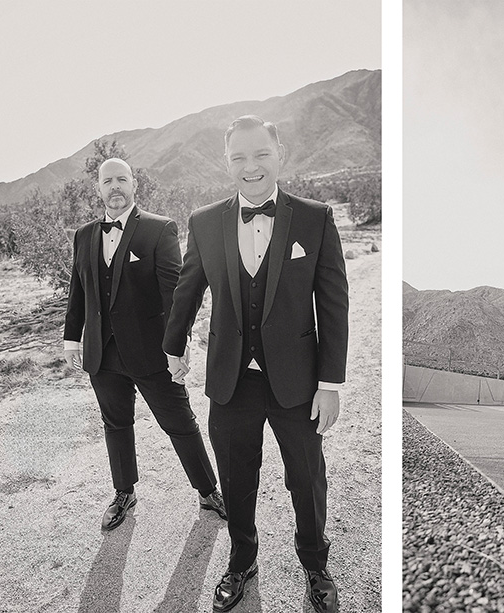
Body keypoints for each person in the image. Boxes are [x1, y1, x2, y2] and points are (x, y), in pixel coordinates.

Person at [162, 115, 348, 613]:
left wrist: (330, 383)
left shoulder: (316, 218)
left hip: (298, 382)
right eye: (239, 157)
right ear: (226, 163)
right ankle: (242, 560)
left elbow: (333, 305)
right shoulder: (204, 221)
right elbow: (187, 290)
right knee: (236, 478)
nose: (251, 167)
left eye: (260, 154)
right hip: (230, 377)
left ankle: (315, 563)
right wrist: (173, 348)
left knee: (306, 478)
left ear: (279, 153)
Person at [63, 158, 226, 531]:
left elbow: (174, 293)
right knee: (115, 423)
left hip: (152, 353)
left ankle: (207, 490)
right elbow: (79, 291)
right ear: (98, 188)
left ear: (134, 185)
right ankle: (124, 492)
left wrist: (178, 347)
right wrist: (73, 339)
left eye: (122, 179)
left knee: (180, 423)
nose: (115, 187)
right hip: (102, 354)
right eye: (108, 181)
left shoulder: (158, 229)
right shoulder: (85, 234)